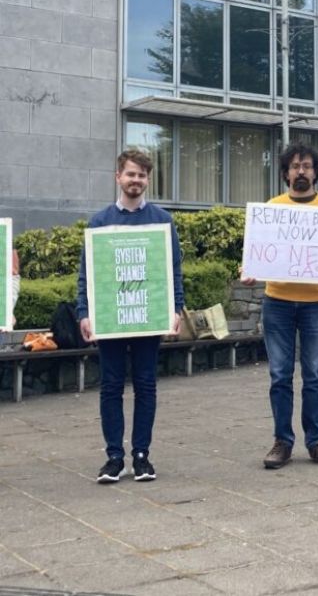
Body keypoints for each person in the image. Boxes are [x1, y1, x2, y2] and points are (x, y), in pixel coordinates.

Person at [77, 150, 184, 484]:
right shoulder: (99, 222)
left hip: (147, 316)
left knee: (146, 386)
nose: (135, 180)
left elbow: (173, 270)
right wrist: (84, 313)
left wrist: (176, 308)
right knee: (110, 387)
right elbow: (87, 274)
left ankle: (141, 456)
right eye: (130, 174)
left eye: (141, 175)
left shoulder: (162, 221)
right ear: (118, 177)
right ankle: (113, 458)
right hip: (111, 318)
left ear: (147, 180)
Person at [253, 143, 318, 469]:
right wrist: (251, 269)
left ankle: (316, 442)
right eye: (295, 166)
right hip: (276, 301)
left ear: (316, 171)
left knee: (315, 375)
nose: (301, 171)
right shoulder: (272, 208)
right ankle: (282, 442)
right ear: (285, 173)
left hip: (315, 304)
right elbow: (260, 250)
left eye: (306, 165)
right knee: (279, 375)